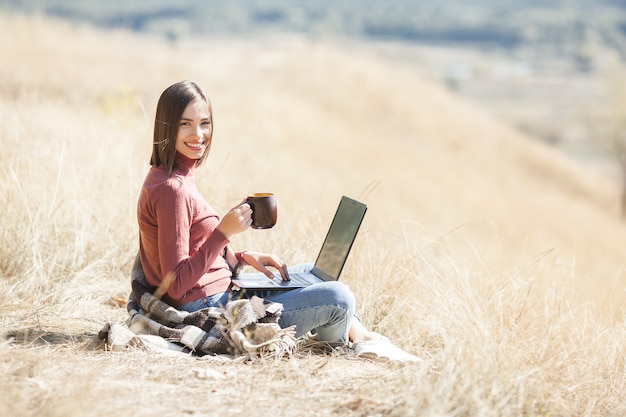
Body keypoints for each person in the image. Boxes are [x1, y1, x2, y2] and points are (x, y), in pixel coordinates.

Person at [136, 80, 420, 362]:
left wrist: (244, 257)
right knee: (339, 297)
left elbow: (192, 250)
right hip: (212, 305)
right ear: (167, 127)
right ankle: (339, 346)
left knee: (316, 272)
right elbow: (176, 284)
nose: (198, 134)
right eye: (185, 124)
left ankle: (363, 337)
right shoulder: (172, 189)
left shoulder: (172, 176)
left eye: (205, 123)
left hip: (222, 290)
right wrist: (223, 232)